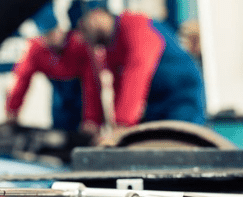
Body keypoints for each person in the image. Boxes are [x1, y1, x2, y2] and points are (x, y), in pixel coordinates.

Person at [78, 8, 206, 129]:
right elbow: (98, 83)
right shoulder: (110, 46)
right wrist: (92, 121)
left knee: (178, 139)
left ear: (97, 15)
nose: (84, 37)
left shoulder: (134, 24)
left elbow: (137, 70)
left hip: (183, 97)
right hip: (156, 104)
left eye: (84, 29)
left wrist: (123, 123)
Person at [5, 4, 103, 135]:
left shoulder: (79, 45)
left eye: (55, 31)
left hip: (81, 96)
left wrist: (92, 119)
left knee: (85, 135)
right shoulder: (36, 49)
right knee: (59, 133)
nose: (54, 37)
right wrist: (12, 110)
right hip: (59, 99)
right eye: (47, 34)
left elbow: (91, 85)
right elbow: (22, 80)